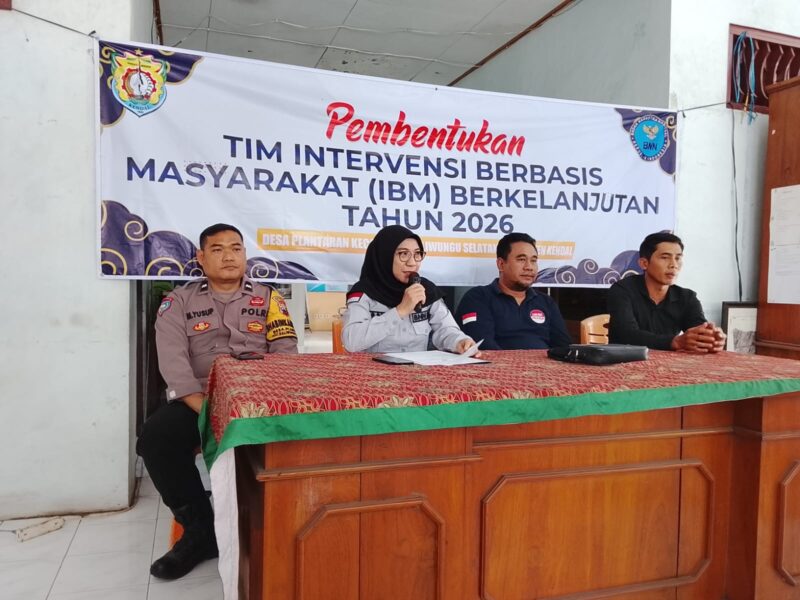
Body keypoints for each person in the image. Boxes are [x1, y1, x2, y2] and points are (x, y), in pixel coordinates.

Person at [136, 223, 297, 580]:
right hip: (200, 399)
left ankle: (283, 521)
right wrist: (208, 408)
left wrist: (261, 402)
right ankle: (200, 531)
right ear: (201, 257)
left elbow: (286, 353)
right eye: (218, 249)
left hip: (258, 399)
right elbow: (173, 362)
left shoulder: (270, 299)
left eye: (236, 248)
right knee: (155, 439)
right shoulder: (178, 301)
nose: (229, 256)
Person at [342, 225, 478, 354]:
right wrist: (400, 310)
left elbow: (446, 329)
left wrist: (459, 341)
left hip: (417, 368)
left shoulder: (426, 290)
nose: (412, 263)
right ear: (385, 256)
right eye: (403, 254)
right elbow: (351, 342)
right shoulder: (365, 292)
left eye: (417, 254)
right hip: (373, 369)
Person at [607, 232, 726, 352]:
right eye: (665, 257)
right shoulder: (622, 290)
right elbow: (626, 335)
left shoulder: (687, 297)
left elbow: (699, 333)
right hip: (627, 360)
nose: (673, 265)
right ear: (644, 263)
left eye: (678, 258)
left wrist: (710, 339)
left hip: (670, 362)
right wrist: (674, 342)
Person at [455, 232, 571, 350]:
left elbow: (564, 348)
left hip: (544, 361)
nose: (529, 267)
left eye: (533, 260)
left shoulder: (546, 302)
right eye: (521, 259)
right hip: (495, 362)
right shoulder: (478, 298)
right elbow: (483, 347)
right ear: (501, 264)